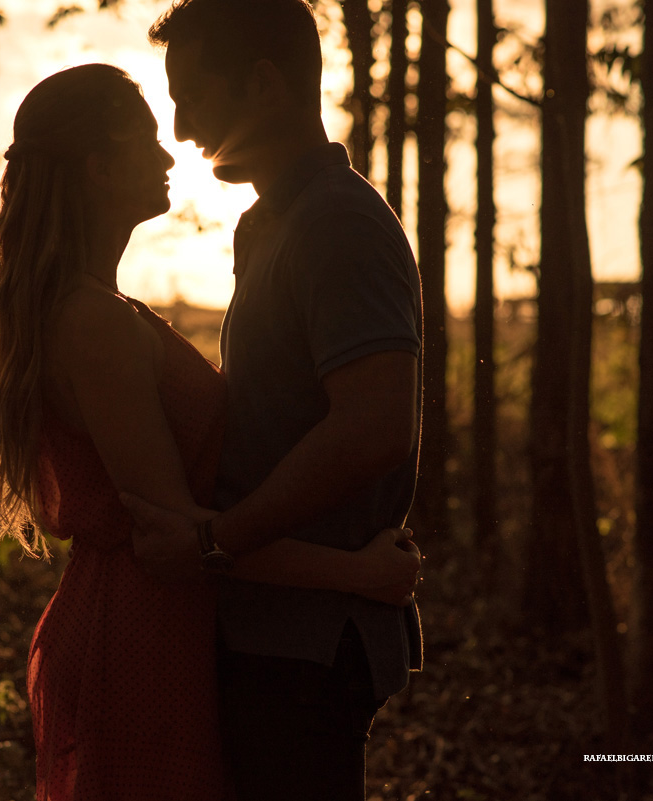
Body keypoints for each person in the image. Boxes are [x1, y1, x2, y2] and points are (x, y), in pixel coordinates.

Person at [0, 63, 420, 800]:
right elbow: (176, 543)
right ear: (100, 168)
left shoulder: (98, 310)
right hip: (138, 631)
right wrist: (356, 573)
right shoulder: (92, 324)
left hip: (156, 625)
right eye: (146, 140)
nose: (173, 153)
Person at [120, 1, 426, 799]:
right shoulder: (276, 222)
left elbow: (375, 424)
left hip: (307, 645)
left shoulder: (339, 223)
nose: (182, 129)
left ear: (262, 84)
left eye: (193, 97)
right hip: (273, 630)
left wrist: (219, 540)